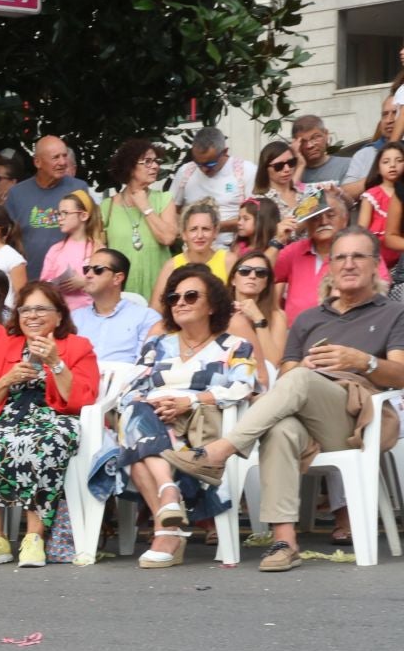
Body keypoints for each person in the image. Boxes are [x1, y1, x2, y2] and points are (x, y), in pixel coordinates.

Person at [196, 227, 404, 573]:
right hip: (308, 413)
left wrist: (363, 362)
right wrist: (303, 366)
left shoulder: (393, 313)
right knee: (282, 428)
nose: (349, 264)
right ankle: (285, 541)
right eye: (340, 257)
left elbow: (401, 374)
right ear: (330, 267)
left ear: (375, 265)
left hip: (359, 418)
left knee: (300, 381)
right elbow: (288, 371)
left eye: (358, 256)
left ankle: (222, 450)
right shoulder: (309, 318)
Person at [93, 266, 258, 568]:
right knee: (134, 410)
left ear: (212, 305)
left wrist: (189, 400)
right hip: (153, 419)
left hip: (199, 427)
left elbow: (244, 386)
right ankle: (168, 504)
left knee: (135, 440)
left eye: (191, 296)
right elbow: (132, 388)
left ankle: (167, 521)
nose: (180, 302)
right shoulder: (158, 345)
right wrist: (156, 404)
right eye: (173, 297)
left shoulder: (234, 346)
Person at [0, 282, 100, 568]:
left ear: (59, 316)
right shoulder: (1, 346)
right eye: (26, 309)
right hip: (7, 415)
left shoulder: (78, 346)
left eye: (41, 309)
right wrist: (6, 380)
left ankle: (34, 537)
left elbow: (82, 398)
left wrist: (55, 363)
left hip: (54, 417)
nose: (32, 315)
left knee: (44, 443)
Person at [5, 135, 90, 277]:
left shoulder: (79, 189)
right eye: (55, 157)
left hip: (70, 282)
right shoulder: (17, 193)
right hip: (29, 280)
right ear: (37, 162)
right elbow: (8, 238)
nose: (63, 162)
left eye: (64, 156)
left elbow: (92, 231)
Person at [272, 191, 353, 322]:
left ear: (345, 219)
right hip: (295, 333)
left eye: (331, 215)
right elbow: (261, 273)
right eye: (315, 217)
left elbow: (377, 288)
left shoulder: (359, 248)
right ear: (306, 224)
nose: (323, 221)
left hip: (342, 331)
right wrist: (278, 240)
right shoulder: (294, 250)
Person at [168, 128, 256, 243]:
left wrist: (212, 227)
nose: (204, 169)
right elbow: (171, 211)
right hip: (193, 249)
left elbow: (256, 216)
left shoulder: (246, 171)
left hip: (233, 247)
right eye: (198, 163)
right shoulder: (185, 172)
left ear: (225, 152)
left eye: (210, 164)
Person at [73, 248, 156, 364]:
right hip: (80, 380)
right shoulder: (74, 318)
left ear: (117, 278)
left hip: (126, 380)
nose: (88, 275)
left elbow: (144, 367)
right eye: (86, 269)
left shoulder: (146, 317)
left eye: (98, 270)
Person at [151, 202, 230, 310]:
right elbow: (156, 309)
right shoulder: (172, 266)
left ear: (215, 232)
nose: (199, 235)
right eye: (193, 229)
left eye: (206, 229)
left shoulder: (228, 261)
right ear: (184, 234)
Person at [40, 191, 103, 311]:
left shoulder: (98, 250)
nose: (60, 218)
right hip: (61, 315)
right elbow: (43, 285)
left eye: (65, 213)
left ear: (84, 216)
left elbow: (108, 285)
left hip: (91, 315)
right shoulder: (55, 250)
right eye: (59, 214)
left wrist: (85, 282)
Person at [227, 250, 288, 367]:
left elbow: (273, 363)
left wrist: (258, 319)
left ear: (266, 283)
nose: (252, 276)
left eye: (260, 273)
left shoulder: (277, 316)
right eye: (244, 271)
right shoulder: (219, 311)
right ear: (233, 280)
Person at [356, 141, 404, 269]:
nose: (393, 165)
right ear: (377, 167)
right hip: (379, 258)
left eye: (399, 160)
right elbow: (362, 230)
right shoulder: (372, 195)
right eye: (386, 161)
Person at [292, 114, 351, 186]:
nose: (310, 145)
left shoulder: (348, 165)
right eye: (303, 141)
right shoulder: (289, 173)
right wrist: (300, 166)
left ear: (326, 134)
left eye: (315, 137)